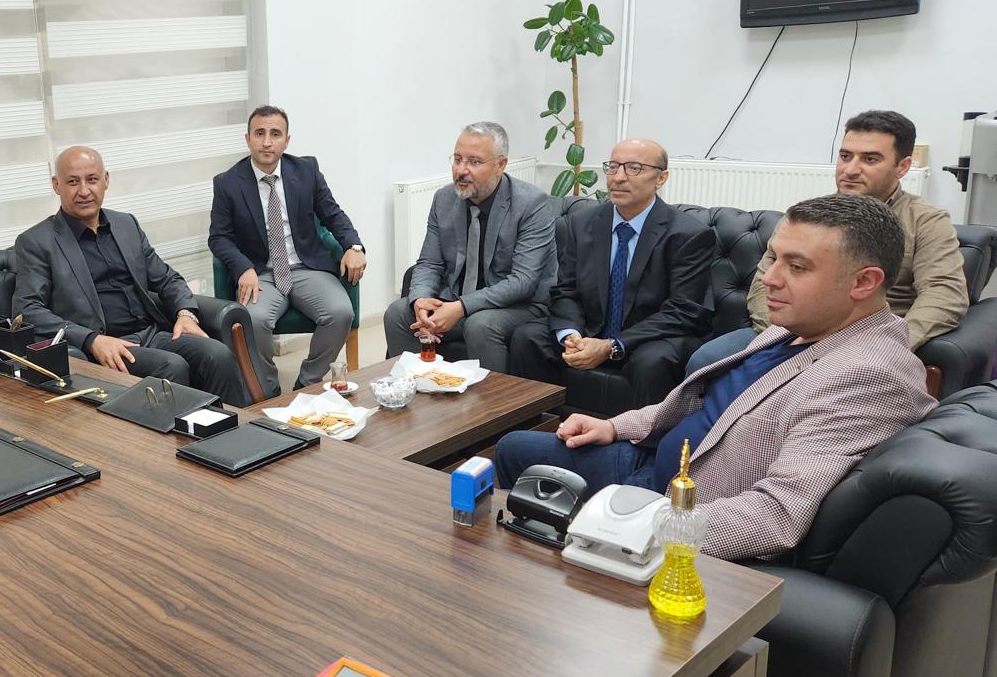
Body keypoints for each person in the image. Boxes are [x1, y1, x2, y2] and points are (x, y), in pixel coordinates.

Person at [494, 194, 937, 562]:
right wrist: (613, 426)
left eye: (797, 267)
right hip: (655, 462)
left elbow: (776, 516)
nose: (770, 279)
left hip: (681, 505)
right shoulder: (798, 328)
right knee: (514, 449)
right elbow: (707, 405)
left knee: (525, 487)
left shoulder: (870, 376)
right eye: (774, 259)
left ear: (864, 282)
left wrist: (638, 527)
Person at [686, 110, 969, 373]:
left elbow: (944, 292)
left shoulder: (925, 220)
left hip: (867, 339)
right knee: (707, 359)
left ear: (902, 166)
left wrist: (894, 342)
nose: (851, 169)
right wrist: (783, 334)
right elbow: (764, 281)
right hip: (790, 333)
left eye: (870, 159)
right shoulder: (807, 215)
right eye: (845, 156)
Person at [14, 145, 249, 404]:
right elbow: (27, 309)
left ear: (105, 180)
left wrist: (185, 313)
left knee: (218, 354)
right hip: (103, 345)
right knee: (171, 366)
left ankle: (232, 426)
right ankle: (176, 432)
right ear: (56, 185)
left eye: (92, 179)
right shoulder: (37, 242)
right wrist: (91, 340)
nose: (84, 191)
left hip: (150, 334)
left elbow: (167, 278)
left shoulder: (126, 224)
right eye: (72, 182)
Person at [508, 139, 714, 407]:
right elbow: (566, 290)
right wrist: (571, 335)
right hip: (593, 329)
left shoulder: (688, 235)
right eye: (613, 167)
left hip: (650, 337)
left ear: (661, 178)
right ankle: (535, 425)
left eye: (634, 168)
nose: (618, 177)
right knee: (528, 338)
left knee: (653, 362)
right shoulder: (583, 223)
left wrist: (612, 345)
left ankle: (638, 435)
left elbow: (683, 312)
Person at [208, 104, 366, 397]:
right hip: (261, 273)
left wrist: (353, 246)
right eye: (259, 133)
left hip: (307, 267)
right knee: (253, 320)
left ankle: (307, 384)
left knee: (341, 312)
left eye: (275, 134)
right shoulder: (228, 183)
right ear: (247, 139)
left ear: (287, 140)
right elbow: (219, 238)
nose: (267, 142)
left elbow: (333, 215)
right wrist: (243, 268)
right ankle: (267, 388)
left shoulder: (306, 170)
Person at [382, 121, 555, 373]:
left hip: (518, 306)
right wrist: (420, 300)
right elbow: (429, 262)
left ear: (500, 165)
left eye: (474, 162)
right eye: (457, 159)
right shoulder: (444, 198)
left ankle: (493, 399)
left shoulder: (532, 204)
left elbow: (523, 281)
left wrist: (460, 307)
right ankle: (416, 388)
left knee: (480, 325)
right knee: (398, 313)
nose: (461, 171)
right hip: (456, 299)